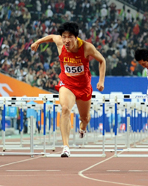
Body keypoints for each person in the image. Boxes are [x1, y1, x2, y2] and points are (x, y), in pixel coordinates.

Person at [31, 22, 106, 157]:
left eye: (69, 37)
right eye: (64, 36)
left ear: (76, 37)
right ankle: (66, 146)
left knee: (85, 118)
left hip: (84, 87)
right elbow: (52, 37)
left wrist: (101, 81)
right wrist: (37, 42)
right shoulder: (60, 42)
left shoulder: (87, 47)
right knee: (65, 109)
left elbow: (102, 61)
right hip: (67, 84)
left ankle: (82, 128)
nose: (66, 40)